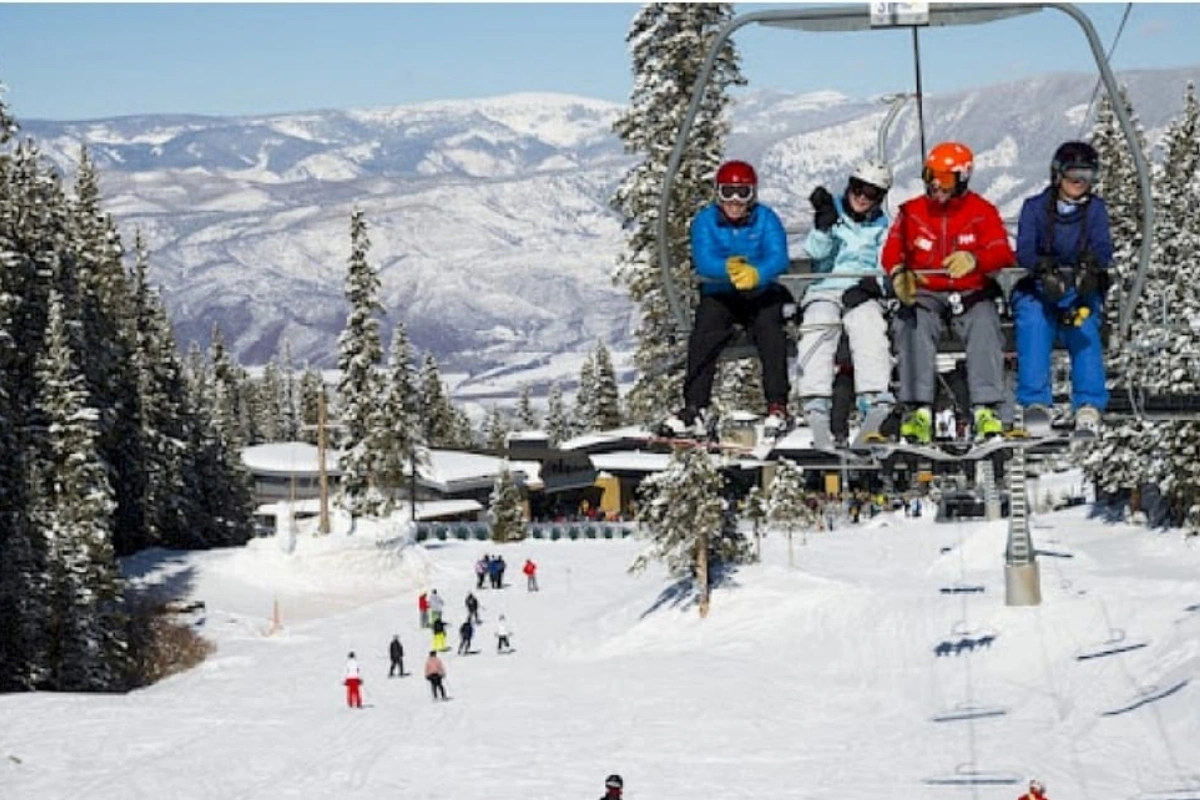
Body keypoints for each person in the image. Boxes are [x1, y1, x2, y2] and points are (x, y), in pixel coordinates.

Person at [882, 141, 1014, 444]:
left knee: (985, 325)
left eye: (945, 180)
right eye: (931, 177)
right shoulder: (913, 212)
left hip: (970, 292)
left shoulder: (980, 212)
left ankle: (986, 407)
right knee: (911, 323)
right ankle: (917, 408)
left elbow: (1002, 251)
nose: (936, 186)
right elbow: (893, 249)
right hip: (927, 293)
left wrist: (975, 260)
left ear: (962, 179)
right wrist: (899, 272)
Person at [660, 159, 793, 439]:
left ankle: (777, 405)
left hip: (759, 292)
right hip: (720, 293)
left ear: (752, 195)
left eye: (742, 193)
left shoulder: (766, 219)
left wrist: (757, 274)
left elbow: (778, 256)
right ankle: (695, 406)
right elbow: (704, 259)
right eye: (728, 193)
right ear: (718, 194)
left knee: (771, 333)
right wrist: (730, 271)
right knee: (704, 334)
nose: (734, 201)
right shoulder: (706, 221)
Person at [1013, 140, 1112, 435]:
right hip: (1038, 288)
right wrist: (1043, 270)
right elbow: (1025, 249)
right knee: (1033, 324)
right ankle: (1036, 402)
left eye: (1087, 176)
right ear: (1058, 175)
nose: (1080, 183)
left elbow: (1103, 246)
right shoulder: (1035, 208)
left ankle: (1088, 403)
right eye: (1073, 175)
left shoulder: (1094, 210)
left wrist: (1091, 267)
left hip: (1078, 289)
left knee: (1084, 329)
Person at [798, 161, 896, 447]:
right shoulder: (834, 215)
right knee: (818, 324)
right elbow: (815, 253)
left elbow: (883, 265)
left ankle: (874, 396)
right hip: (827, 286)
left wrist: (871, 285)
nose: (863, 197)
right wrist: (822, 227)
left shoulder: (882, 226)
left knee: (868, 325)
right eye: (858, 189)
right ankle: (815, 400)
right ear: (849, 186)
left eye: (872, 194)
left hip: (859, 290)